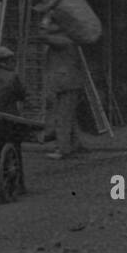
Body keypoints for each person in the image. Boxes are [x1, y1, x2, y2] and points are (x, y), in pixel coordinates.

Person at [41, 23, 84, 159]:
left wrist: (45, 22)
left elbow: (43, 37)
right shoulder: (69, 41)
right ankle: (75, 144)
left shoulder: (63, 41)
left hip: (66, 84)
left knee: (62, 118)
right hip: (68, 84)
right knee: (69, 117)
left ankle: (62, 149)